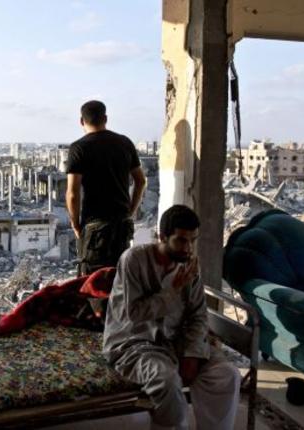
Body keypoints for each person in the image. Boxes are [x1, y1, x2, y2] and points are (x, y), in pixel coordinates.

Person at [103, 205, 240, 430]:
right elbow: (134, 314)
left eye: (192, 241)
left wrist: (192, 353)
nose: (188, 248)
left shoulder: (189, 265)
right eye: (181, 241)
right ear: (162, 236)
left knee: (227, 375)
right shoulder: (134, 261)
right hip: (136, 342)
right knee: (166, 382)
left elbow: (198, 315)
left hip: (177, 339)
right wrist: (172, 291)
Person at [66, 100, 146, 276]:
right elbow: (140, 181)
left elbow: (73, 193)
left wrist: (75, 224)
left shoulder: (79, 148)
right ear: (106, 118)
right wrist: (131, 210)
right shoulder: (125, 143)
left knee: (91, 282)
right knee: (119, 279)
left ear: (81, 121)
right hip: (121, 225)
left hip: (95, 227)